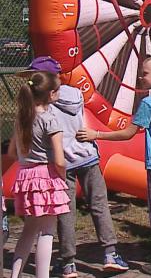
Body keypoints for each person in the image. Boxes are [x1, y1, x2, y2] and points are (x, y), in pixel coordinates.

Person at [15, 57, 128, 278]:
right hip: (86, 155)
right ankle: (110, 254)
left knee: (65, 212)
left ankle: (68, 262)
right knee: (99, 204)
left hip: (61, 163)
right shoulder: (75, 94)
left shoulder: (42, 101)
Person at [78, 56, 151, 275]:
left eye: (144, 73)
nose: (140, 76)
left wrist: (96, 134)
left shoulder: (150, 103)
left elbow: (128, 133)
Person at [8, 71, 70, 278]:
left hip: (25, 175)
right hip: (47, 176)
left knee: (28, 230)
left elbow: (11, 152)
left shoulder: (22, 117)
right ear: (51, 94)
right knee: (46, 232)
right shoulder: (50, 119)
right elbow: (60, 159)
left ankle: (14, 274)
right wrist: (61, 175)